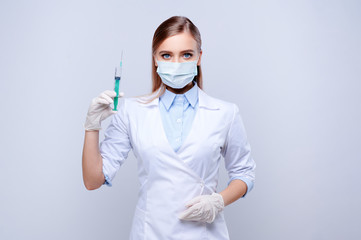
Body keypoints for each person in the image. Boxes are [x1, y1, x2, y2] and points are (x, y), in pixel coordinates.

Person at [82, 16, 256, 240]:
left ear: (199, 57)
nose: (176, 64)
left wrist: (218, 201)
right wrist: (91, 127)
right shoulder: (131, 112)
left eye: (186, 55)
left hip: (203, 233)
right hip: (151, 232)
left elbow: (244, 173)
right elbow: (92, 180)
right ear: (155, 58)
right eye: (166, 55)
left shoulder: (225, 113)